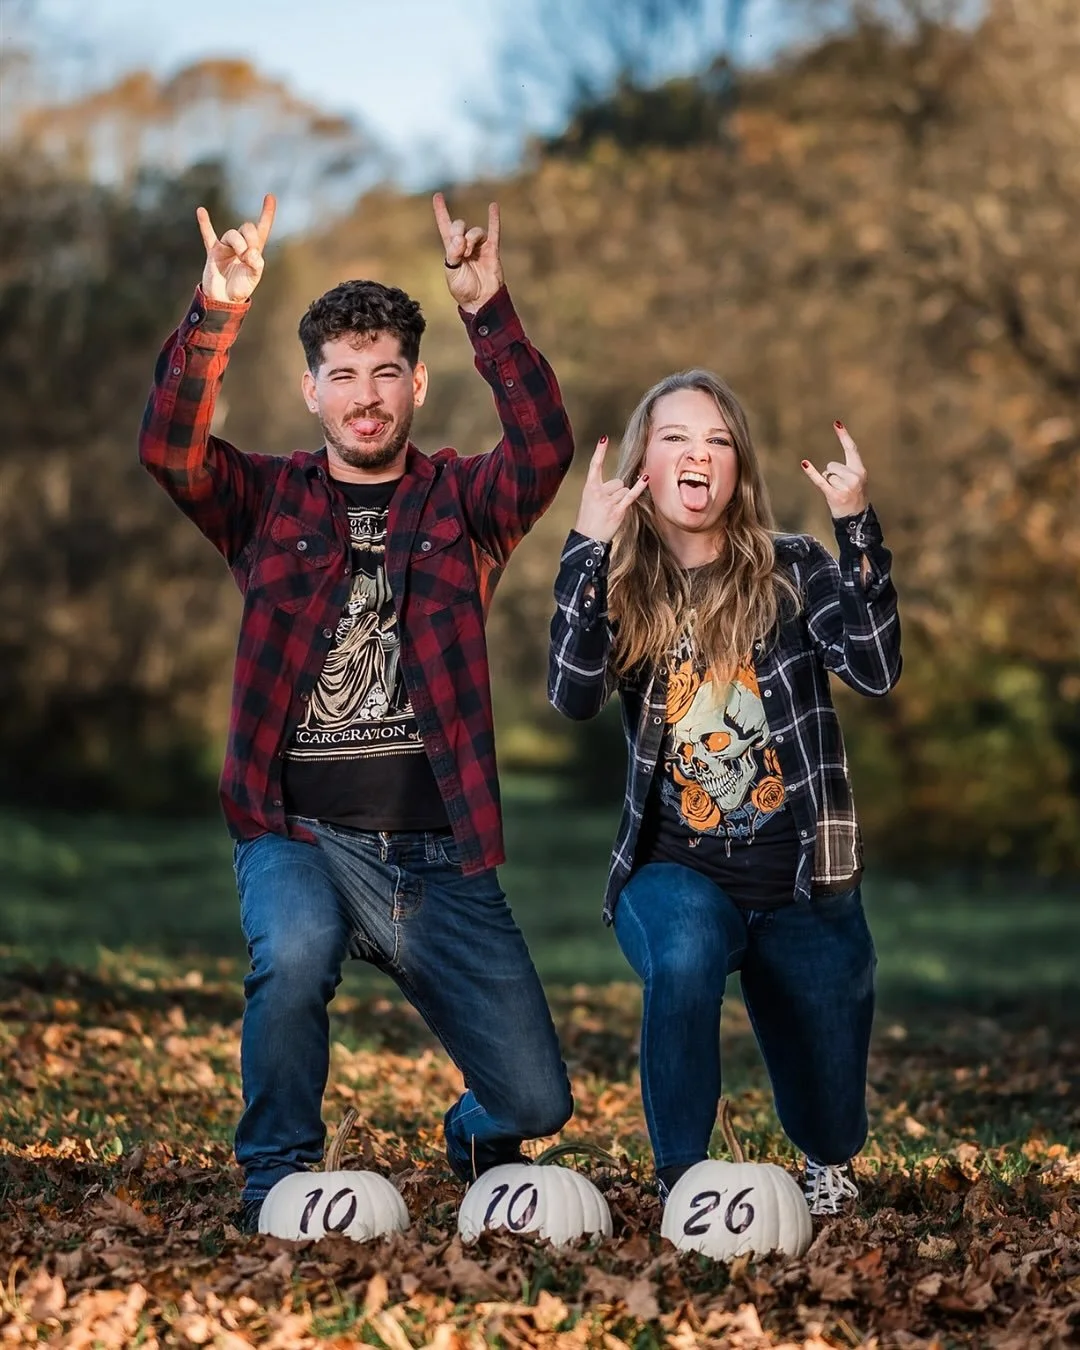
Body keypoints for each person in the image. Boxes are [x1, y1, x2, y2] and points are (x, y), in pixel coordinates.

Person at [139, 191, 575, 1228]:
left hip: (436, 858)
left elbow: (545, 450)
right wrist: (213, 313)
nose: (366, 397)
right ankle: (276, 1180)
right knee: (289, 955)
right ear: (311, 392)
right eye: (344, 376)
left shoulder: (465, 505)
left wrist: (489, 309)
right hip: (299, 835)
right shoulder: (266, 501)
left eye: (385, 373)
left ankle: (474, 1136)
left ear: (418, 383)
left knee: (536, 1099)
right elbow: (170, 450)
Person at [548, 369, 901, 1217]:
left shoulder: (793, 569)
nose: (696, 453)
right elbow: (573, 692)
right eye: (674, 437)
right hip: (678, 872)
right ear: (645, 463)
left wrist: (856, 529)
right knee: (682, 957)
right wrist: (585, 548)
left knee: (830, 1115)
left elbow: (875, 668)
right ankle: (684, 1183)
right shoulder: (626, 583)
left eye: (716, 439)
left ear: (737, 466)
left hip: (803, 880)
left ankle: (826, 1158)